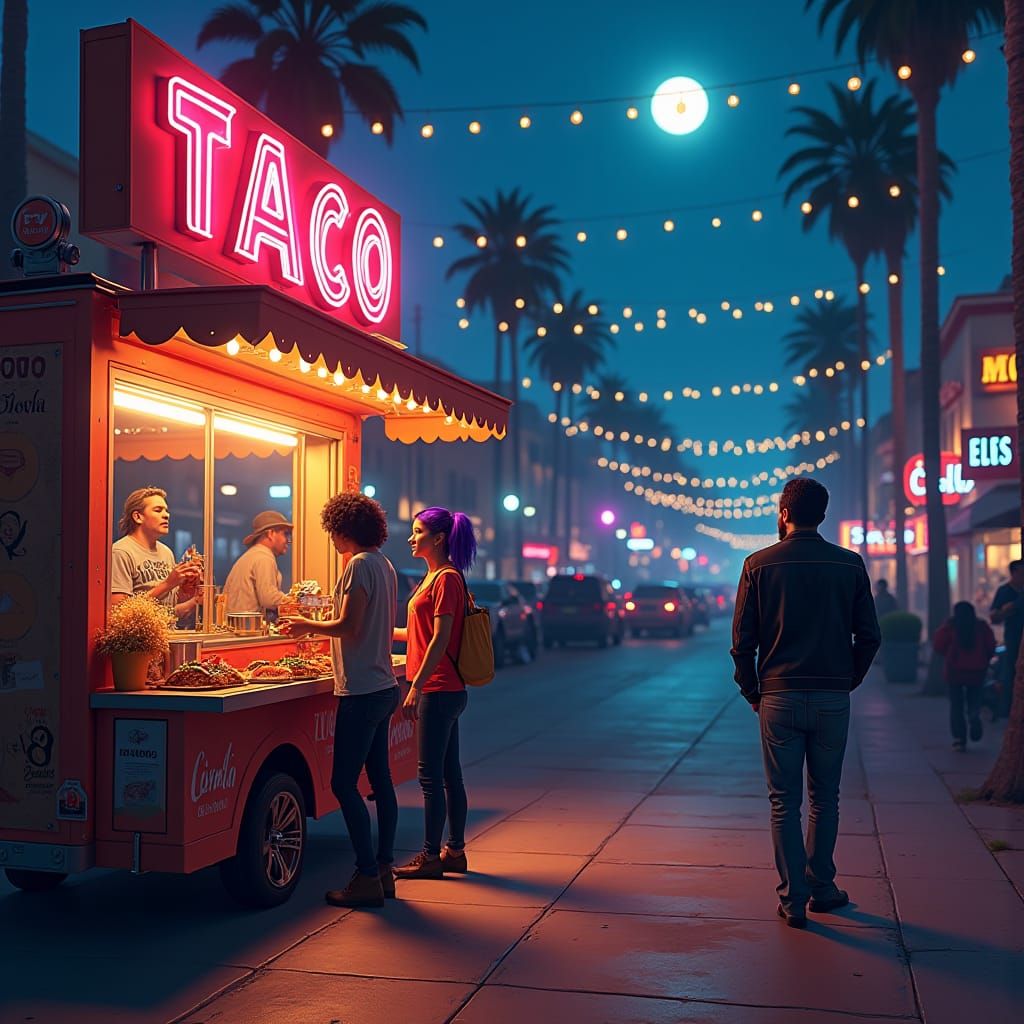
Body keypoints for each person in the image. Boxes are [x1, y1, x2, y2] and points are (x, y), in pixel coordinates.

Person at [731, 478, 880, 929]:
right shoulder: (849, 564)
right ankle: (822, 888)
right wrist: (846, 680)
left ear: (783, 513)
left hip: (778, 696)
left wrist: (753, 691)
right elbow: (869, 635)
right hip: (832, 695)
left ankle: (792, 899)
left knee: (784, 802)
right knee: (825, 798)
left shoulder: (758, 564)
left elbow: (742, 643)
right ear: (823, 513)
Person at [279, 493, 398, 909]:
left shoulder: (358, 566)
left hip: (363, 691)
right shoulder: (383, 564)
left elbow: (349, 625)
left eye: (332, 530)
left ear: (345, 529)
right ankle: (384, 870)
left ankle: (365, 876)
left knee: (342, 784)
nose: (330, 538)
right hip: (383, 687)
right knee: (379, 780)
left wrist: (303, 624)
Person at [392, 506, 475, 882]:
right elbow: (423, 636)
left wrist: (417, 686)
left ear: (438, 538)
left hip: (439, 690)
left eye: (418, 531)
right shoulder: (432, 578)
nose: (411, 537)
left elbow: (442, 638)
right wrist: (380, 632)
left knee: (431, 778)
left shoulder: (446, 580)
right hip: (443, 688)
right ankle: (453, 852)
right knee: (448, 775)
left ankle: (430, 857)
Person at [111, 486, 202, 620]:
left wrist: (191, 591)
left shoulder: (166, 552)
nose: (166, 515)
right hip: (138, 639)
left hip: (166, 636)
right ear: (138, 517)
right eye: (158, 510)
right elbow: (119, 612)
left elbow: (168, 610)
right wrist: (168, 584)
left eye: (166, 510)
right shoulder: (121, 552)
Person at [933, 602, 996, 752]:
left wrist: (948, 656)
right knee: (974, 700)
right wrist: (985, 660)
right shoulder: (981, 627)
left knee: (956, 705)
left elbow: (938, 645)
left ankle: (959, 739)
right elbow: (990, 646)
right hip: (977, 671)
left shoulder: (950, 627)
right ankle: (974, 717)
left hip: (955, 672)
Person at [223, 510, 293, 615]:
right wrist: (296, 602)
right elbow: (269, 599)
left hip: (237, 627)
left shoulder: (252, 555)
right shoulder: (264, 558)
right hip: (249, 629)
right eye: (285, 534)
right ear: (270, 534)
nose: (288, 540)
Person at [989, 559, 1024, 720]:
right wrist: (1006, 611)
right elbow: (994, 617)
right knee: (1012, 671)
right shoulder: (1004, 591)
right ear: (1014, 573)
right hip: (1014, 637)